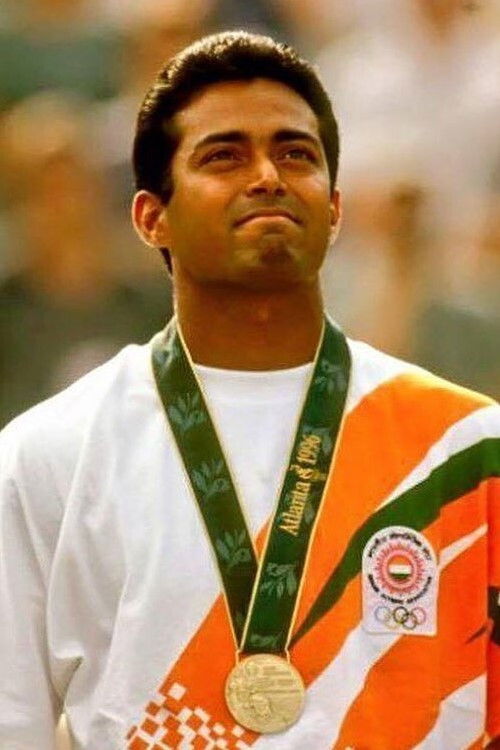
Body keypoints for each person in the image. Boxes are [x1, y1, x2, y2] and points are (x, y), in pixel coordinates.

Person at [0, 31, 499, 750]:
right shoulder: (48, 455)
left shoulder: (465, 447)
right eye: (223, 156)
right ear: (150, 217)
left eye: (295, 154)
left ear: (334, 208)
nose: (267, 175)